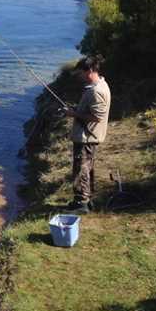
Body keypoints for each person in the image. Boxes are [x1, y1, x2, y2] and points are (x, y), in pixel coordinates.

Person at [64, 55, 111, 213]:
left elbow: (97, 117)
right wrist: (77, 110)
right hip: (88, 136)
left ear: (90, 70)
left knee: (81, 168)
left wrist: (74, 114)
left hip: (87, 137)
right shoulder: (99, 85)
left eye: (80, 73)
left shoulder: (96, 91)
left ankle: (82, 203)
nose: (79, 77)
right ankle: (86, 199)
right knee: (86, 168)